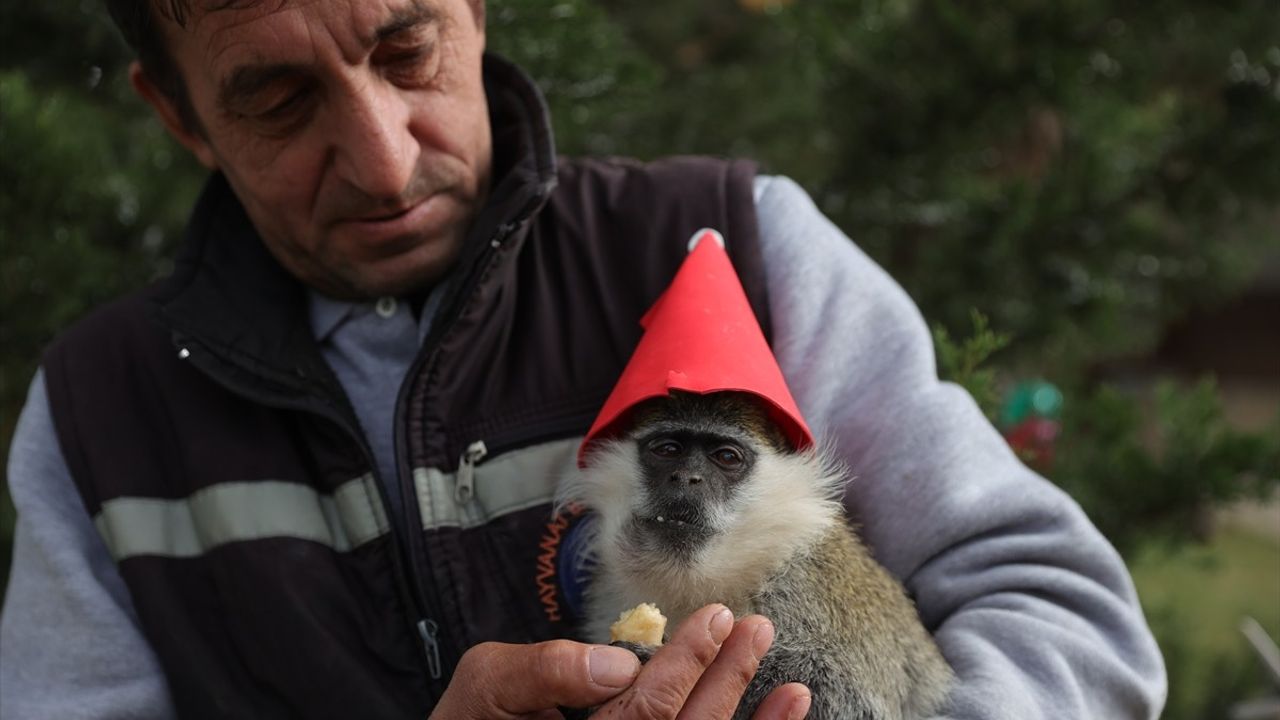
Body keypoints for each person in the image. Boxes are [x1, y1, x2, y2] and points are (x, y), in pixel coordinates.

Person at [0, 0, 1167, 717]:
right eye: (278, 100)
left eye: (405, 51)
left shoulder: (737, 246)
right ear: (178, 112)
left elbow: (1062, 609)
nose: (381, 159)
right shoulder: (105, 413)